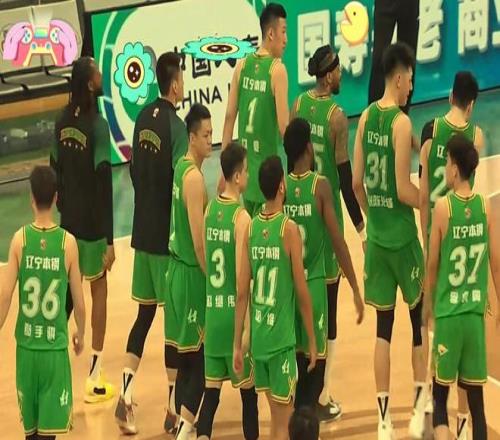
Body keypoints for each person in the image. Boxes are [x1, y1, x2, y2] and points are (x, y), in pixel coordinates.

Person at [352, 42, 426, 439]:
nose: (411, 86)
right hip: (402, 240)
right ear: (398, 78)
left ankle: (384, 421)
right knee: (418, 324)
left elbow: (356, 182)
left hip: (378, 241)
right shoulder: (400, 123)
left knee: (383, 330)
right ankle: (418, 411)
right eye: (410, 79)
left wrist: (371, 216)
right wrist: (429, 201)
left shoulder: (365, 117)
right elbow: (402, 188)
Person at [115, 52, 188, 435]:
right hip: (164, 240)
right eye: (183, 79)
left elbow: (133, 171)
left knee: (143, 317)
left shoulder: (143, 118)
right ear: (174, 84)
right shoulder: (177, 128)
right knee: (173, 326)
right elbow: (180, 187)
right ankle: (173, 410)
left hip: (141, 233)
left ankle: (125, 395)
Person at [291, 45, 365, 420]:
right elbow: (347, 179)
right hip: (326, 220)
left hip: (297, 212)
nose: (341, 74)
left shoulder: (298, 105)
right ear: (328, 74)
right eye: (337, 69)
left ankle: (297, 388)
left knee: (299, 306)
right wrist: (361, 229)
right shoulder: (337, 118)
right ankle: (321, 394)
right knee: (328, 316)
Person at [419, 71, 484, 439]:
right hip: (464, 236)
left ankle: (429, 413)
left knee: (436, 341)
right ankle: (461, 427)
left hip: (438, 239)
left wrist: (426, 237)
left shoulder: (430, 131)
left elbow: (423, 193)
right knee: (470, 381)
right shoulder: (476, 136)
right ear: (471, 104)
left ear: (450, 97)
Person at [233, 155, 317, 440]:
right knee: (285, 423)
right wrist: (312, 340)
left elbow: (242, 291)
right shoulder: (288, 229)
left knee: (275, 418)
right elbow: (302, 290)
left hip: (259, 341)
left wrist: (237, 344)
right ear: (282, 186)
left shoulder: (252, 228)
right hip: (281, 342)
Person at [0, 166, 86, 440]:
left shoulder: (20, 240)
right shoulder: (68, 243)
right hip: (53, 351)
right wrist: (81, 333)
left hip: (26, 350)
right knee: (48, 435)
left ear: (31, 198)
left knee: (32, 434)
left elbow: (4, 295)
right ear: (57, 198)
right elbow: (79, 302)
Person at [424, 134, 500, 440]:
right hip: (474, 318)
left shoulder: (443, 208)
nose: (445, 167)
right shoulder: (485, 206)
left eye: (446, 162)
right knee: (477, 407)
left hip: (449, 317)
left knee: (440, 401)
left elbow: (432, 264)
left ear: (455, 169)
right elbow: (496, 264)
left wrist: (428, 306)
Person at [51, 56, 115, 403]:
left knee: (66, 296)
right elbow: (104, 182)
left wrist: (63, 205)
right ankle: (95, 376)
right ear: (90, 84)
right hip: (92, 226)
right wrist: (110, 239)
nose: (102, 76)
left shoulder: (61, 121)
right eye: (98, 73)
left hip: (68, 225)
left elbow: (53, 167)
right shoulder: (98, 126)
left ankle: (52, 365)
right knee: (98, 290)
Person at [196, 143, 259, 440]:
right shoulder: (242, 219)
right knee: (249, 397)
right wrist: (243, 333)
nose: (248, 175)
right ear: (236, 176)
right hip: (234, 317)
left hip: (213, 316)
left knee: (211, 396)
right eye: (246, 170)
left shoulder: (210, 210)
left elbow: (206, 257)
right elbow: (241, 285)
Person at [164, 103, 212, 440]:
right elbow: (198, 243)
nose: (210, 140)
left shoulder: (180, 168)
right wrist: (215, 279)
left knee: (186, 358)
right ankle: (185, 429)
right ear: (191, 137)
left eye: (211, 134)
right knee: (202, 359)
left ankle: (180, 424)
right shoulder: (194, 179)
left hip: (175, 272)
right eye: (205, 135)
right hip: (191, 275)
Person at [221, 2, 289, 215]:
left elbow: (229, 116)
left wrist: (224, 170)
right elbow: (284, 128)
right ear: (271, 33)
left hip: (244, 177)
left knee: (249, 232)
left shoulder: (242, 66)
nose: (286, 40)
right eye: (283, 32)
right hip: (268, 179)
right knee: (271, 234)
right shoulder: (277, 70)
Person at [368, 0, 419, 115]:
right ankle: (373, 117)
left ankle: (402, 116)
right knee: (379, 59)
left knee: (407, 60)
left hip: (410, 4)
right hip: (385, 3)